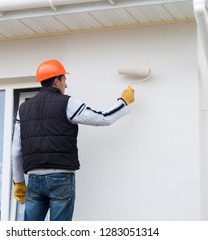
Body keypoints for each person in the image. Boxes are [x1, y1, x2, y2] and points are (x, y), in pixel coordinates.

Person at [11, 59, 135, 221]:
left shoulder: (24, 108)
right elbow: (103, 118)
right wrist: (123, 102)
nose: (66, 85)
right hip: (60, 179)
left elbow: (16, 150)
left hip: (34, 180)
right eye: (64, 80)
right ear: (56, 81)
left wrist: (18, 181)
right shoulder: (67, 103)